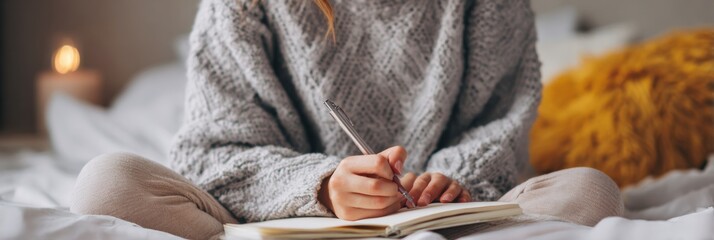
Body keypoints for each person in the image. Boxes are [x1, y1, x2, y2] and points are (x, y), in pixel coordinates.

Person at [70, 0, 624, 239]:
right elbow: (212, 154)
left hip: (434, 223)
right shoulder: (244, 6)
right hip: (274, 223)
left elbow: (501, 130)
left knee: (588, 193)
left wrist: (447, 186)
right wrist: (323, 188)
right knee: (107, 183)